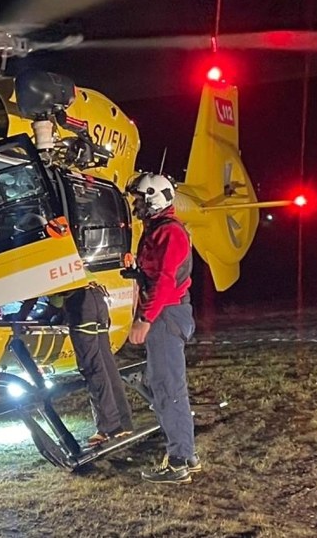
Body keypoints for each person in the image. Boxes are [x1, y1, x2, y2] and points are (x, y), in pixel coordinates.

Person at [125, 172, 201, 485]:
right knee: (166, 386)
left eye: (140, 198)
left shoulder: (169, 233)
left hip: (166, 315)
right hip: (168, 313)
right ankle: (187, 456)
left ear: (155, 198)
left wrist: (145, 318)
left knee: (168, 389)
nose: (136, 204)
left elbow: (166, 281)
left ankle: (180, 461)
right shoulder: (158, 229)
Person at [56, 281, 134, 446]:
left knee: (93, 368)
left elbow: (54, 302)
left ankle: (108, 427)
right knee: (107, 364)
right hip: (97, 297)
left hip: (80, 304)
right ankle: (123, 422)